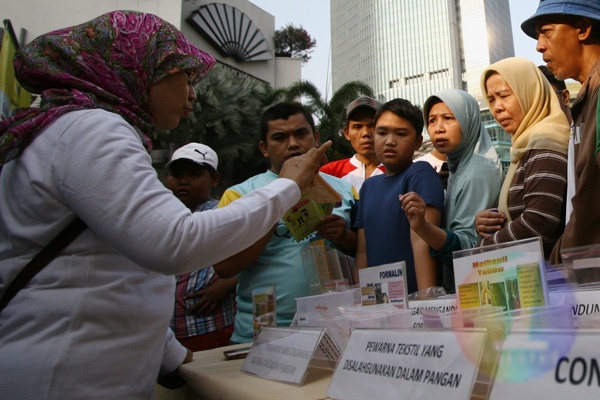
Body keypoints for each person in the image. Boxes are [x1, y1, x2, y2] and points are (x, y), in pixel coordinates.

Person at [0, 11, 331, 399]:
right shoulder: (92, 129)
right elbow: (176, 242)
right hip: (64, 375)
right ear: (137, 68)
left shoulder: (72, 129)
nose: (193, 94)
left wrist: (172, 357)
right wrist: (289, 186)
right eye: (186, 77)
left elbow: (114, 273)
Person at [214, 102, 357, 344]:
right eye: (280, 137)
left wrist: (343, 236)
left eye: (301, 134)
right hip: (262, 337)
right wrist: (274, 209)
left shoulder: (346, 190)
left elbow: (365, 252)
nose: (292, 144)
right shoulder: (239, 195)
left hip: (337, 331)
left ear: (316, 137)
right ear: (264, 148)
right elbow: (224, 267)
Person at [400, 89, 504, 293]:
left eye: (448, 118)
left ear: (469, 122)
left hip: (478, 292)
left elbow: (466, 249)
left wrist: (423, 227)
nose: (438, 128)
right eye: (431, 120)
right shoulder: (458, 168)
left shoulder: (478, 170)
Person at [521, 0, 600, 264]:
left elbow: (592, 200)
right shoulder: (587, 96)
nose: (539, 45)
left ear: (583, 28)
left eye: (547, 31)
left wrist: (557, 270)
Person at [475, 57, 570, 257]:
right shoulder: (523, 146)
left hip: (552, 278)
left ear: (530, 93)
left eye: (504, 95)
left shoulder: (546, 139)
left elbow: (540, 222)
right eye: (491, 99)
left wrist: (482, 250)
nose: (497, 107)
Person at [354, 98, 445, 294]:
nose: (390, 141)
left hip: (413, 302)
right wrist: (363, 299)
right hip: (378, 303)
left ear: (418, 142)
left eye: (401, 134)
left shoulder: (420, 174)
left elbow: (423, 240)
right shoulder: (368, 187)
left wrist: (427, 302)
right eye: (382, 132)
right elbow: (362, 250)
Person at [165, 143, 237, 351]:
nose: (183, 182)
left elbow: (256, 254)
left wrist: (226, 284)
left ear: (214, 179)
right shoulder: (160, 216)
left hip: (210, 326)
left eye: (195, 174)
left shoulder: (224, 212)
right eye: (176, 175)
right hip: (167, 332)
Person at [320, 96, 385, 191]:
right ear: (347, 133)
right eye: (358, 127)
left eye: (372, 125)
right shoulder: (329, 173)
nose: (365, 133)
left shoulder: (402, 172)